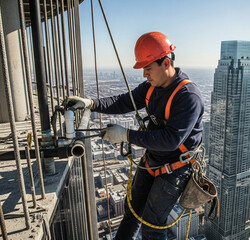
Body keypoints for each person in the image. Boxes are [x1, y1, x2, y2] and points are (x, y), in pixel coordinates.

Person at [63, 32, 204, 240]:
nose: (145, 75)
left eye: (148, 68)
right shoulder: (151, 88)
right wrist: (91, 104)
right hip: (153, 160)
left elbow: (171, 140)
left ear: (166, 63)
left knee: (152, 225)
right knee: (132, 213)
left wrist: (126, 135)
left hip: (176, 168)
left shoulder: (188, 96)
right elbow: (123, 102)